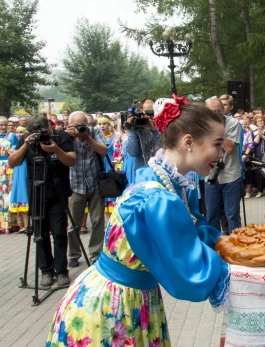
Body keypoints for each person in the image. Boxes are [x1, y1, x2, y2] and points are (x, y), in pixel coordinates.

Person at [46, 95, 230, 346]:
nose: (221, 154)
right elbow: (189, 275)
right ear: (189, 142)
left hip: (130, 297)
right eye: (217, 144)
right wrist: (238, 270)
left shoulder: (164, 179)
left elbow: (192, 232)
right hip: (114, 308)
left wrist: (227, 244)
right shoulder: (158, 198)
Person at [8, 115, 76, 287]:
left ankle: (61, 271)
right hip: (36, 192)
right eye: (35, 132)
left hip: (57, 192)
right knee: (40, 234)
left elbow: (71, 160)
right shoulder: (25, 139)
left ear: (49, 126)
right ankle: (46, 271)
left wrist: (55, 150)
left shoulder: (61, 137)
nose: (40, 134)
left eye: (43, 130)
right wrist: (25, 145)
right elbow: (13, 162)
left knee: (59, 232)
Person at [65, 112, 109, 267]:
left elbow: (103, 151)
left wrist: (87, 137)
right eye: (77, 124)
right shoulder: (66, 135)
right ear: (69, 124)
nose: (81, 127)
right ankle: (73, 255)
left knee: (97, 221)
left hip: (95, 182)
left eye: (83, 124)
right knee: (73, 223)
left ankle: (95, 253)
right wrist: (69, 136)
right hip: (74, 184)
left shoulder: (94, 131)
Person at [205, 96, 243, 233]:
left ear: (224, 109)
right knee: (212, 216)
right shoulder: (203, 124)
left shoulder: (232, 123)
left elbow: (229, 148)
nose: (216, 114)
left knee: (232, 216)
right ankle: (214, 248)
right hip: (210, 176)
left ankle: (236, 248)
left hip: (230, 177)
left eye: (218, 111)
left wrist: (217, 128)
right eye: (212, 111)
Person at [124, 98, 161, 184]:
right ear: (141, 111)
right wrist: (132, 129)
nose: (149, 116)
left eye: (151, 112)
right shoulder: (137, 127)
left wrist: (155, 132)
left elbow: (160, 151)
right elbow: (133, 152)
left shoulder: (162, 127)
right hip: (142, 174)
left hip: (159, 174)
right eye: (146, 112)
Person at [97, 115, 123, 217]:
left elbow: (117, 154)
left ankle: (111, 223)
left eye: (104, 124)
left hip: (110, 167)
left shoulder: (115, 138)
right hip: (100, 167)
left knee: (111, 193)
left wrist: (116, 169)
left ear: (109, 125)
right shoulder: (96, 138)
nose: (102, 126)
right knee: (103, 195)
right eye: (99, 124)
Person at [9, 126, 30, 233]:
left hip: (26, 173)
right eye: (17, 132)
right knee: (21, 198)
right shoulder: (14, 147)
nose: (19, 134)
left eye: (21, 132)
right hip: (18, 174)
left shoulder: (29, 146)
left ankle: (30, 225)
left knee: (27, 196)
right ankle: (25, 225)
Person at [0, 116, 19, 233]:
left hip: (8, 167)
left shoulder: (13, 137)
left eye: (5, 125)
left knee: (7, 193)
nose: (3, 127)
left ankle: (11, 223)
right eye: (0, 125)